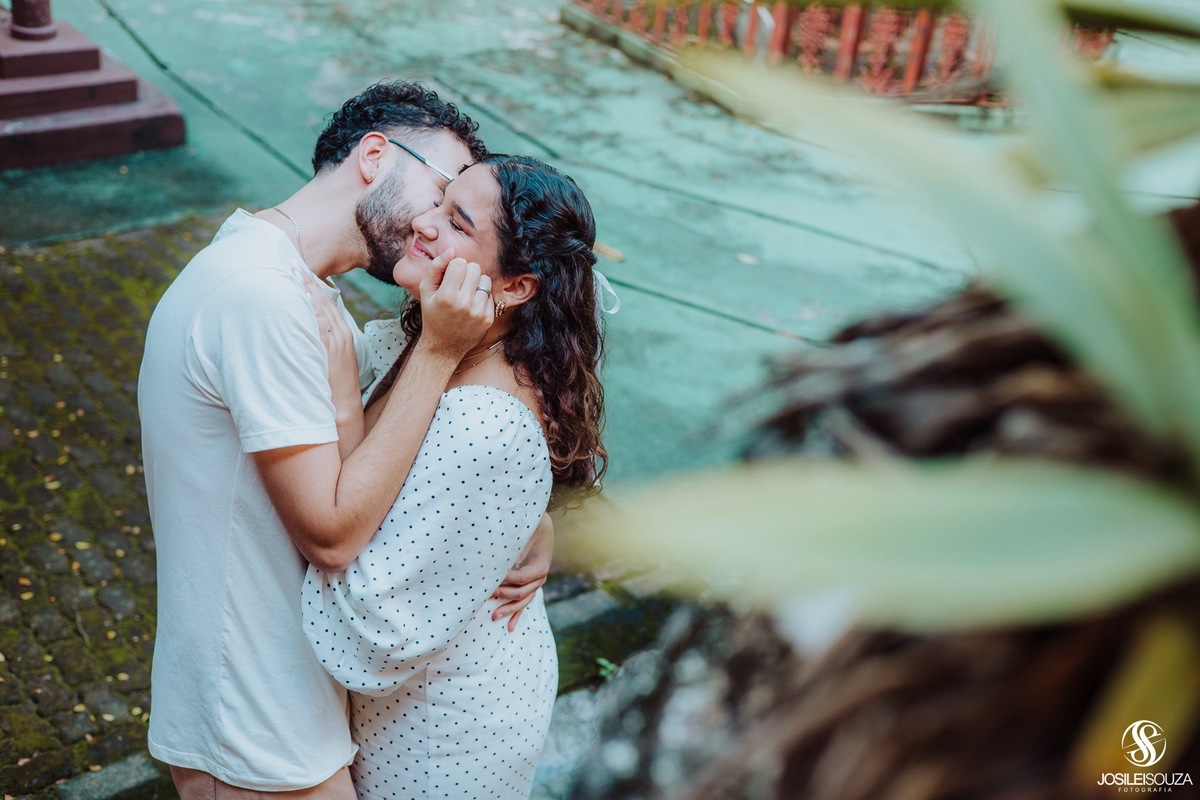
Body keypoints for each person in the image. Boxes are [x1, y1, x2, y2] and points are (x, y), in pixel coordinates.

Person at [138, 83, 552, 800]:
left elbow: (406, 459)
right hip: (253, 712)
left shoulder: (294, 285)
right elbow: (332, 534)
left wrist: (524, 519)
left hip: (285, 701)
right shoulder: (261, 297)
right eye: (439, 193)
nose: (431, 225)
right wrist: (438, 352)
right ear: (374, 156)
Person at [302, 154, 607, 800]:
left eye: (458, 223)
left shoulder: (484, 422)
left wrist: (345, 403)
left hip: (442, 739)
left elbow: (372, 627)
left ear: (516, 287)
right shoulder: (440, 339)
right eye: (439, 203)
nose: (424, 222)